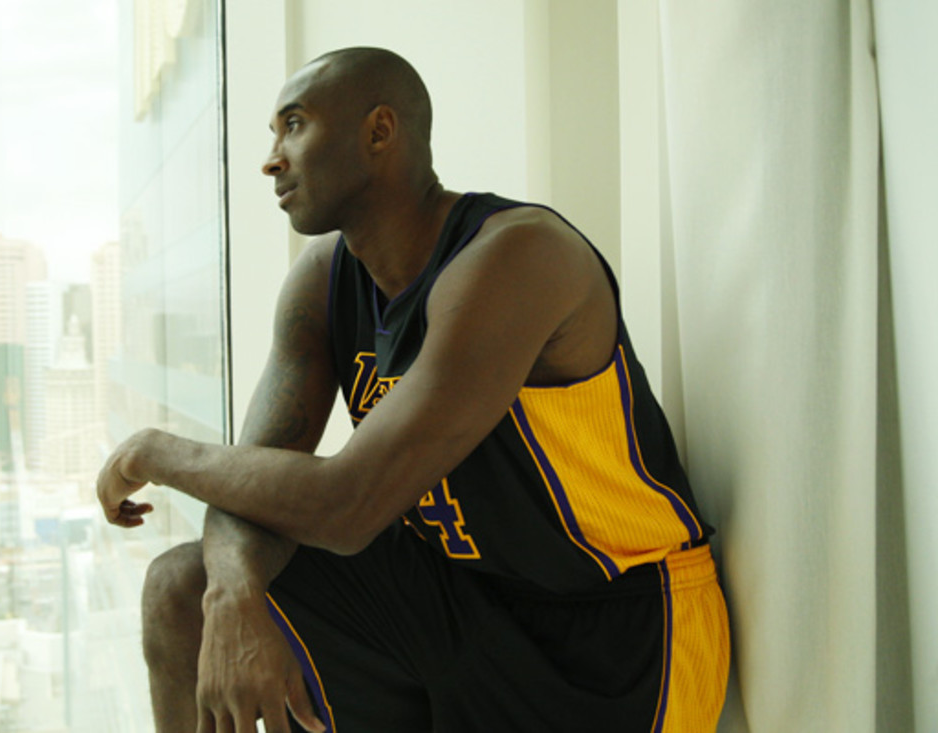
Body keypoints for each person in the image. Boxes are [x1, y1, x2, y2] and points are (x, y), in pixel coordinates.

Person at [97, 47, 730, 732]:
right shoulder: (322, 279)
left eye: (294, 125)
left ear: (379, 131)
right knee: (180, 589)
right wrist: (231, 593)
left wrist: (154, 452)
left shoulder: (518, 256)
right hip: (452, 603)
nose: (271, 159)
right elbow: (251, 484)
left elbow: (348, 506)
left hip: (615, 631)